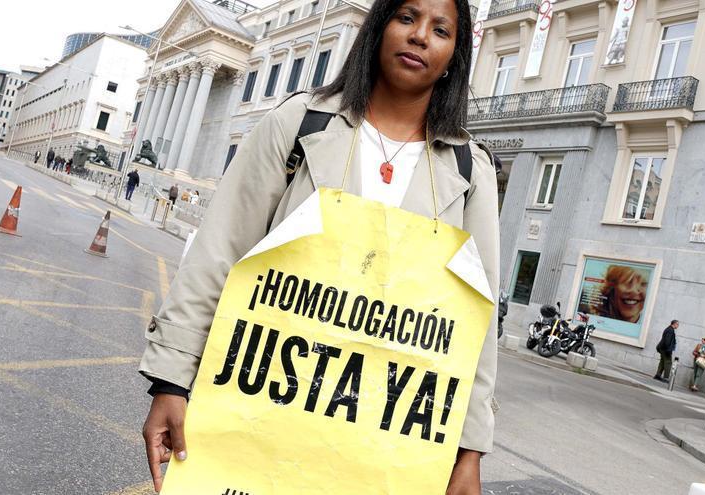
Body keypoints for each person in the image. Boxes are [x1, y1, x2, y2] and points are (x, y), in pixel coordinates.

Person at [139, 0, 499, 493]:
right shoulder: (299, 125)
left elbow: (475, 322)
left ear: (456, 55)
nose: (420, 37)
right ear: (379, 26)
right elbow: (219, 250)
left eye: (441, 29)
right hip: (256, 417)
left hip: (382, 448)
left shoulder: (469, 172)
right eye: (407, 17)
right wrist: (170, 381)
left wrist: (469, 450)